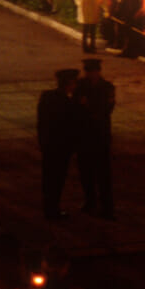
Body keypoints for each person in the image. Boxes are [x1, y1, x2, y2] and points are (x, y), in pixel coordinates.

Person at [36, 69, 83, 221]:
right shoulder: (68, 103)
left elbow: (41, 122)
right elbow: (72, 125)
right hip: (61, 148)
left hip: (48, 145)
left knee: (48, 177)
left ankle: (48, 207)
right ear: (69, 84)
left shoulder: (47, 97)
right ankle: (53, 210)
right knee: (57, 179)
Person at [78, 59, 117, 220]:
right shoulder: (81, 86)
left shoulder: (107, 87)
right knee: (86, 171)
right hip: (85, 134)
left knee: (103, 173)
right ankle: (90, 200)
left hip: (100, 134)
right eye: (88, 71)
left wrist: (89, 108)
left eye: (93, 71)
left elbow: (107, 108)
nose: (91, 74)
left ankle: (106, 205)